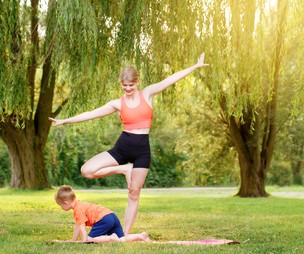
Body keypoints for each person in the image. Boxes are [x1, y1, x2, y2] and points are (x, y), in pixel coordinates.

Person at [49, 53, 209, 234]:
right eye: (124, 85)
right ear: (121, 84)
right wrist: (65, 121)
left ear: (137, 82)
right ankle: (124, 169)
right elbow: (91, 113)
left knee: (134, 193)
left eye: (131, 85)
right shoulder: (117, 103)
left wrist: (195, 67)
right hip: (122, 147)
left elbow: (170, 79)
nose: (127, 88)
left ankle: (124, 234)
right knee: (86, 170)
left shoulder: (147, 94)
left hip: (142, 150)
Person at [54, 185, 150, 243]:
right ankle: (140, 236)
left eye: (60, 205)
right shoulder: (80, 204)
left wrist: (84, 241)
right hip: (112, 215)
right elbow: (78, 225)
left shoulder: (78, 210)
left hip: (103, 219)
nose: (61, 207)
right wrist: (74, 240)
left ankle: (111, 238)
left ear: (65, 203)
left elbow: (82, 227)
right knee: (121, 239)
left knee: (91, 239)